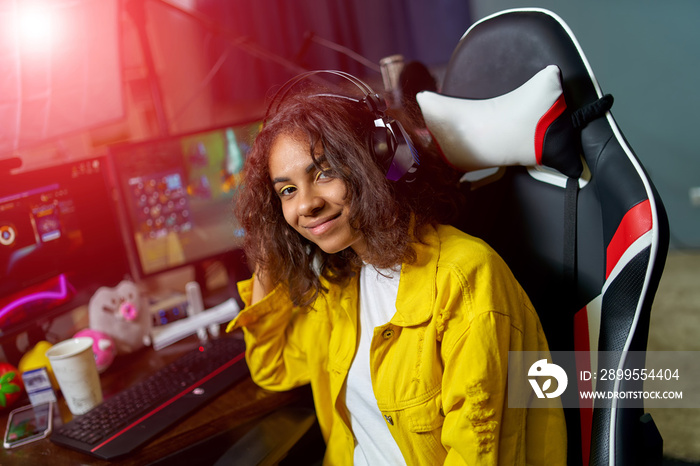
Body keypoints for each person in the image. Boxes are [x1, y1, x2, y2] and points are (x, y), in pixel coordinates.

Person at [226, 71, 567, 465]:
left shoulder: (467, 279)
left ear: (380, 159)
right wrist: (268, 237)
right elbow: (272, 366)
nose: (305, 204)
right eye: (287, 191)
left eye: (324, 172)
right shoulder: (342, 282)